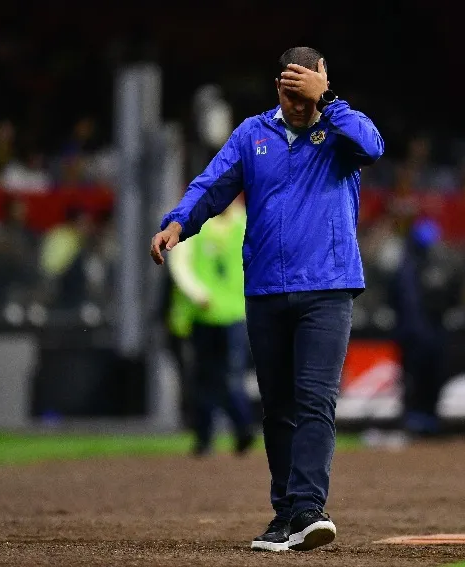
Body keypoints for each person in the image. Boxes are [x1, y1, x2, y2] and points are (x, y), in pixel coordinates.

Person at [150, 47, 383, 552]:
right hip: (266, 290)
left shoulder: (342, 131)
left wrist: (331, 102)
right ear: (277, 87)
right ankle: (285, 514)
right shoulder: (253, 134)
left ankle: (308, 509)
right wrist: (177, 223)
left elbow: (374, 146)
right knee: (277, 407)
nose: (297, 104)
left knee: (315, 399)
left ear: (321, 83)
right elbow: (212, 185)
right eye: (288, 92)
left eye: (306, 93)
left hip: (328, 286)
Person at [167, 200, 256, 456]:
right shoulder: (195, 223)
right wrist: (197, 294)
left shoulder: (245, 221)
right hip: (203, 315)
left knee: (229, 377)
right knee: (205, 378)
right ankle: (206, 437)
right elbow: (180, 265)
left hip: (235, 313)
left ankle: (241, 431)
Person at [389, 219, 459, 437]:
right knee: (413, 379)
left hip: (433, 333)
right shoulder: (406, 268)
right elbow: (401, 302)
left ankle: (430, 419)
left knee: (434, 377)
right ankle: (414, 420)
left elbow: (450, 298)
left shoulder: (438, 267)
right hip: (414, 335)